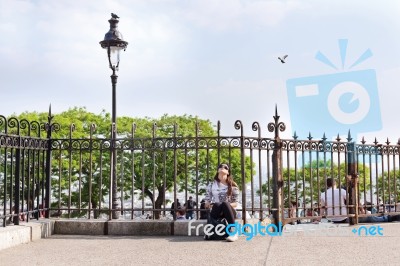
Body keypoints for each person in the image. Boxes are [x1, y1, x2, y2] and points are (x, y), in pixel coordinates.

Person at [204, 163, 239, 242]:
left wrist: (225, 205)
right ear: (218, 170)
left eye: (225, 167)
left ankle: (233, 232)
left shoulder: (233, 186)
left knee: (225, 203)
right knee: (217, 204)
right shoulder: (211, 185)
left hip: (229, 211)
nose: (222, 168)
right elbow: (207, 200)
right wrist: (207, 204)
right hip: (217, 210)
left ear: (228, 172)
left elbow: (235, 203)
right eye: (220, 166)